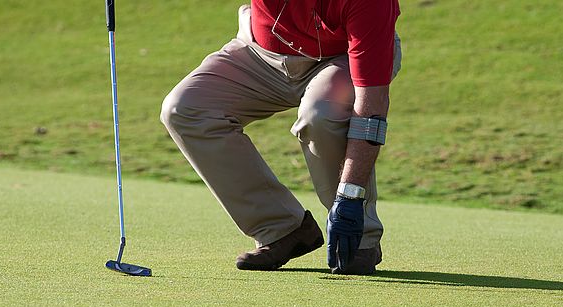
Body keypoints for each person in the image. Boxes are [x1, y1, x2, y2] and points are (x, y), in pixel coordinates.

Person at [161, 1, 401, 275]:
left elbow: (371, 109)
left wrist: (351, 197)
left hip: (341, 57)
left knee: (320, 115)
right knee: (186, 108)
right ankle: (282, 229)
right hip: (260, 54)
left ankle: (359, 241)